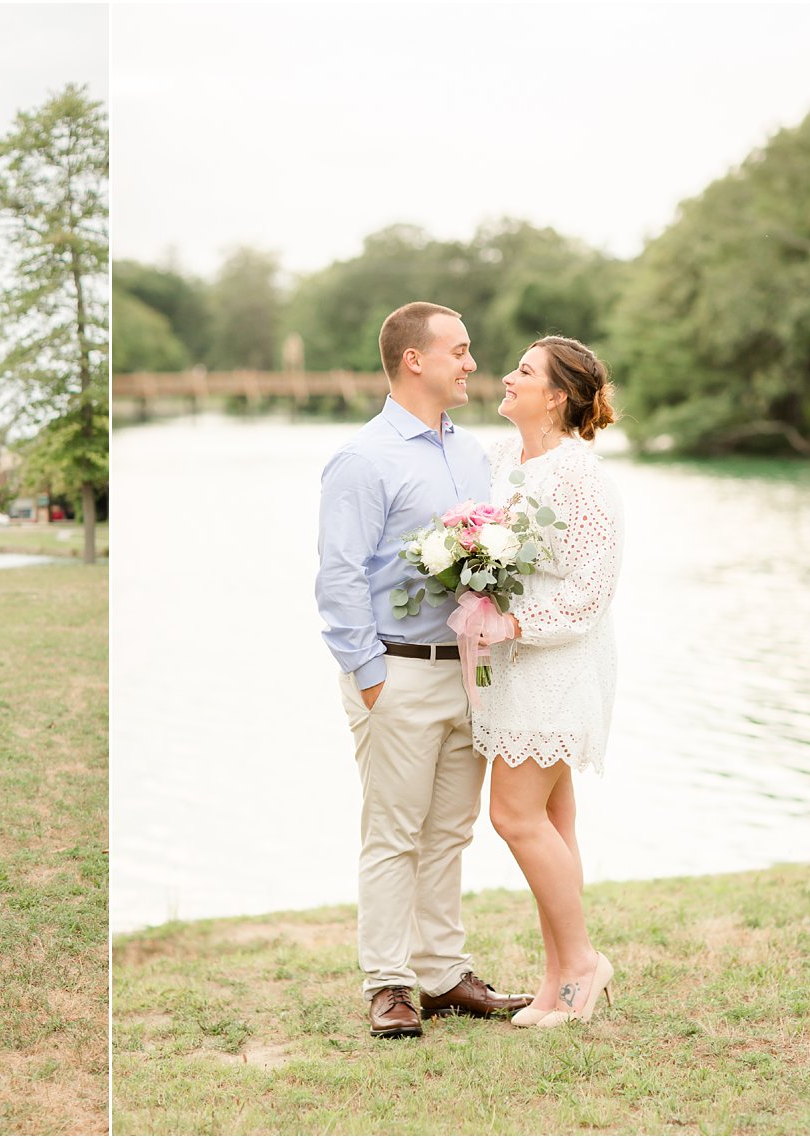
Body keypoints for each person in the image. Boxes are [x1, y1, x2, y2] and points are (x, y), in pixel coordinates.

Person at [316, 301, 533, 1039]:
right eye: (460, 350)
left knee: (449, 831)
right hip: (397, 672)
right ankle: (388, 983)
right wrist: (370, 675)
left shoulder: (473, 453)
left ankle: (442, 973)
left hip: (466, 670)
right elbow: (339, 577)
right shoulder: (363, 458)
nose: (472, 364)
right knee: (393, 833)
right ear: (416, 359)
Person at [476, 336, 622, 1027]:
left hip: (557, 660)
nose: (508, 377)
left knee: (513, 814)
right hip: (511, 664)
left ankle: (586, 961)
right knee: (552, 820)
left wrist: (515, 622)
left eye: (524, 372)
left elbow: (593, 590)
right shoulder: (505, 460)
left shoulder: (581, 476)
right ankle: (558, 979)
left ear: (556, 395)